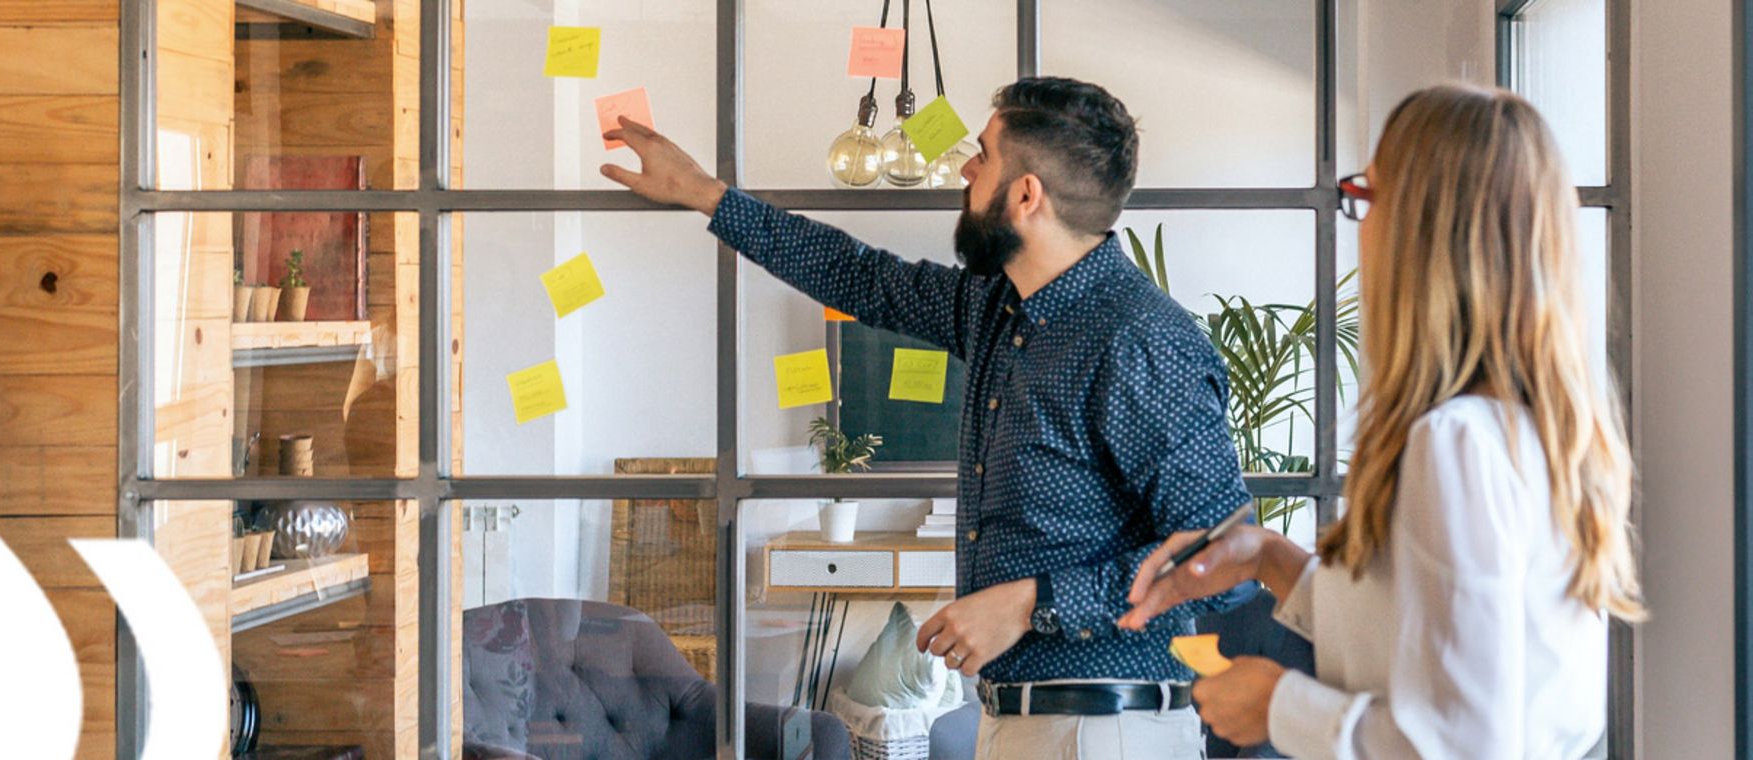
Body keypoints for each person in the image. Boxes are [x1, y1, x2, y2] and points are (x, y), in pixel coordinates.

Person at [602, 77, 1250, 759]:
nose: (966, 171)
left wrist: (1031, 602)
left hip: (1107, 733)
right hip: (1016, 723)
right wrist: (710, 196)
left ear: (1026, 194)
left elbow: (1224, 555)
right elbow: (857, 276)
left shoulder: (1141, 338)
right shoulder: (996, 309)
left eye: (983, 156)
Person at [1120, 83, 1645, 759]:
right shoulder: (1535, 431)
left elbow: (1468, 743)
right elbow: (1421, 646)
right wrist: (1272, 560)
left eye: (1367, 201)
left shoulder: (1456, 444)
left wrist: (1280, 705)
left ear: (1419, 231)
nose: (1361, 230)